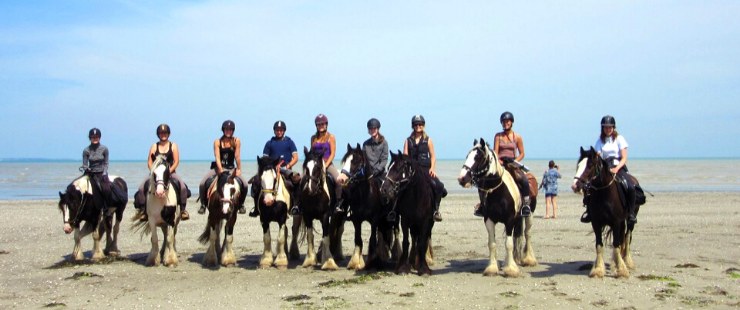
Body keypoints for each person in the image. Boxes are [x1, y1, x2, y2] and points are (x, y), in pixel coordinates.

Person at [577, 115, 637, 224]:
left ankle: (631, 213)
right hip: (605, 167)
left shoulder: (619, 139)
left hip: (619, 166)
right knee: (589, 187)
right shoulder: (600, 141)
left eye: (609, 127)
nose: (607, 130)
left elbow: (624, 158)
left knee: (630, 187)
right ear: (602, 128)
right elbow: (597, 156)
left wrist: (617, 168)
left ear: (613, 128)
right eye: (605, 127)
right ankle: (589, 212)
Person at [474, 111, 531, 217]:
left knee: (524, 180)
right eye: (503, 122)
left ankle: (526, 205)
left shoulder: (517, 137)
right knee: (483, 181)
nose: (505, 123)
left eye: (507, 121)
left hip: (513, 163)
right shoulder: (498, 136)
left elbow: (522, 153)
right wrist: (499, 161)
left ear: (512, 122)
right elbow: (495, 151)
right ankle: (482, 205)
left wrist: (515, 161)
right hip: (500, 163)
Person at [134, 124, 190, 221]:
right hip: (156, 174)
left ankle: (183, 210)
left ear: (168, 134)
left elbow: (176, 161)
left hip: (170, 173)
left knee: (183, 187)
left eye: (165, 133)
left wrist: (168, 172)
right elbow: (149, 162)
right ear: (158, 134)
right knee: (141, 188)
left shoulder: (173, 146)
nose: (163, 135)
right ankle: (143, 211)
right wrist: (154, 171)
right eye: (161, 133)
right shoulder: (154, 146)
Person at [290, 114, 344, 215]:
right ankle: (298, 205)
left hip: (327, 163)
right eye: (319, 124)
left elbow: (333, 153)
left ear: (326, 125)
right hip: (315, 164)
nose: (321, 126)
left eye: (323, 124)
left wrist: (326, 165)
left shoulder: (331, 137)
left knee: (338, 180)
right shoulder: (313, 138)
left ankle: (338, 204)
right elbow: (312, 153)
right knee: (300, 180)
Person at [336, 118, 388, 213]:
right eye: (370, 129)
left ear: (378, 129)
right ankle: (345, 207)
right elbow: (363, 159)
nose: (372, 130)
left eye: (374, 128)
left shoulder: (384, 143)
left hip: (379, 172)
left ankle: (386, 210)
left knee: (385, 189)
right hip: (367, 172)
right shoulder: (366, 144)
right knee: (350, 185)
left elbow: (384, 160)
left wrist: (377, 170)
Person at [248, 120, 299, 217]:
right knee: (256, 182)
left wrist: (287, 166)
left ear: (284, 131)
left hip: (286, 168)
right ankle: (256, 208)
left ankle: (295, 206)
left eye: (281, 130)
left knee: (297, 181)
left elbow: (296, 158)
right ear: (274, 131)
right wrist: (272, 167)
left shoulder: (290, 142)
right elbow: (264, 159)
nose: (279, 132)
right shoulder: (269, 143)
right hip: (271, 169)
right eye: (277, 130)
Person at [197, 120, 249, 215]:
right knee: (202, 183)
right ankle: (203, 204)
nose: (228, 131)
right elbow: (217, 156)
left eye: (230, 129)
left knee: (245, 185)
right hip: (219, 168)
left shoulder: (236, 141)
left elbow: (237, 156)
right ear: (223, 130)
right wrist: (220, 169)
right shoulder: (217, 142)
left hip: (231, 168)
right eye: (226, 129)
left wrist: (239, 169)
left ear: (233, 130)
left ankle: (241, 204)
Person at [403, 115, 446, 222]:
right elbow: (405, 156)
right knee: (399, 187)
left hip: (425, 169)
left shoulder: (428, 140)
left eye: (420, 124)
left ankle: (436, 210)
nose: (418, 126)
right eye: (416, 124)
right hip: (412, 171)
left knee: (439, 186)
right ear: (413, 126)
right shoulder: (408, 141)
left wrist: (432, 169)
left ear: (423, 126)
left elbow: (433, 157)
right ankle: (396, 211)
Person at [82, 128, 113, 213]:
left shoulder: (104, 149)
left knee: (106, 189)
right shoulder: (86, 151)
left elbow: (106, 163)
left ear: (99, 138)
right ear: (90, 138)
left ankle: (106, 207)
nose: (95, 139)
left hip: (101, 173)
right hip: (90, 173)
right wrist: (87, 170)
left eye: (96, 137)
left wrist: (104, 173)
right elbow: (85, 165)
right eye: (93, 137)